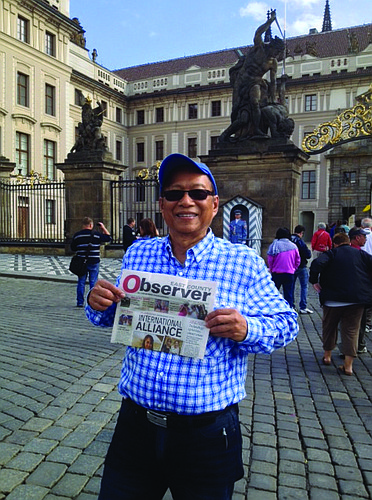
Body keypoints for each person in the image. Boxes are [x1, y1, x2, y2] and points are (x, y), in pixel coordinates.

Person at [86, 152, 298, 500]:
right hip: (136, 427)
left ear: (214, 205)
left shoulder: (242, 261)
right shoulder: (139, 252)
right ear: (162, 204)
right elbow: (117, 316)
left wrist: (246, 329)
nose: (186, 201)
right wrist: (99, 305)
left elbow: (286, 323)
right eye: (174, 193)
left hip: (207, 436)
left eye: (197, 193)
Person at [309, 232, 372, 375]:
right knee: (351, 331)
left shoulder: (332, 254)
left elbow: (317, 263)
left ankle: (327, 356)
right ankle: (348, 365)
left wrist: (314, 281)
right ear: (349, 242)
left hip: (333, 299)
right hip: (356, 299)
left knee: (329, 327)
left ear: (335, 243)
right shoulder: (360, 254)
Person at [219, 10, 285, 142]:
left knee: (255, 104)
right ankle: (227, 135)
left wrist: (272, 99)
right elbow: (258, 33)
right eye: (276, 51)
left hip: (256, 84)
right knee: (238, 112)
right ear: (271, 47)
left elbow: (273, 83)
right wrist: (270, 21)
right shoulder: (259, 49)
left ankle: (257, 130)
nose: (277, 55)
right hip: (242, 83)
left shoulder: (273, 63)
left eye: (279, 53)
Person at [70, 217, 111, 307]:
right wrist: (103, 228)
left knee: (81, 282)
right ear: (91, 225)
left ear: (83, 225)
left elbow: (72, 248)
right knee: (93, 282)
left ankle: (80, 302)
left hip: (82, 262)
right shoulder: (96, 235)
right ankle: (92, 302)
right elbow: (108, 238)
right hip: (94, 261)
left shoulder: (77, 235)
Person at [267, 227, 300, 309]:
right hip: (289, 273)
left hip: (277, 273)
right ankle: (289, 309)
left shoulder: (274, 245)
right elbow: (298, 260)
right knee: (288, 294)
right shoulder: (294, 246)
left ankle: (273, 308)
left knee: (274, 293)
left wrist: (271, 268)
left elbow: (270, 259)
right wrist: (293, 268)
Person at [349, 226, 370, 353]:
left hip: (344, 293)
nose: (366, 239)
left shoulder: (341, 252)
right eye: (364, 236)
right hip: (360, 293)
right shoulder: (362, 255)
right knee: (360, 321)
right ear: (357, 238)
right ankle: (359, 345)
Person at [291, 225, 313, 314]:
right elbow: (307, 254)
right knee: (304, 286)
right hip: (301, 265)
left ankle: (291, 305)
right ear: (301, 233)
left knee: (291, 286)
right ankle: (303, 306)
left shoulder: (290, 239)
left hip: (291, 266)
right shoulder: (300, 241)